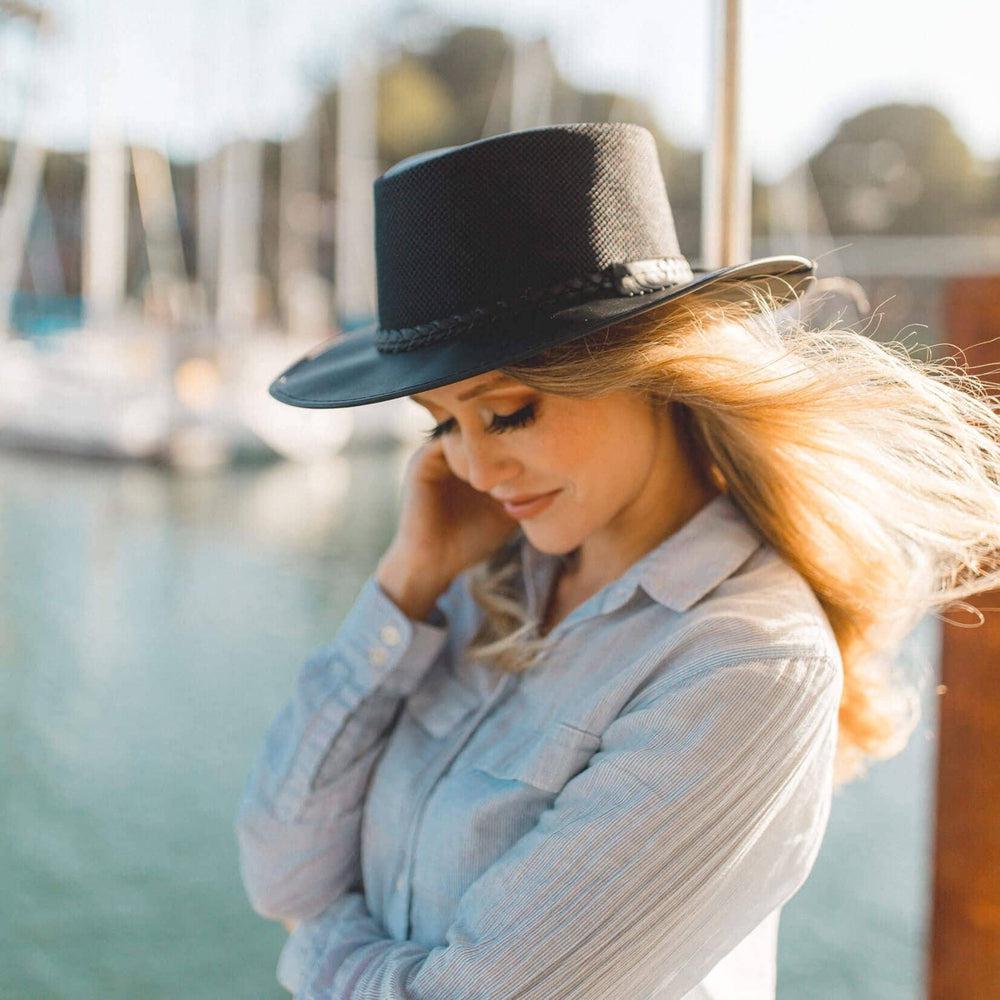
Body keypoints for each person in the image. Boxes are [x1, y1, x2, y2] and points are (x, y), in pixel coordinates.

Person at [234, 123, 1000, 998]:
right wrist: (403, 585)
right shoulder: (477, 580)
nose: (476, 470)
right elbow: (278, 870)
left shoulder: (746, 664)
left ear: (648, 370)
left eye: (510, 412)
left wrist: (313, 949)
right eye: (444, 422)